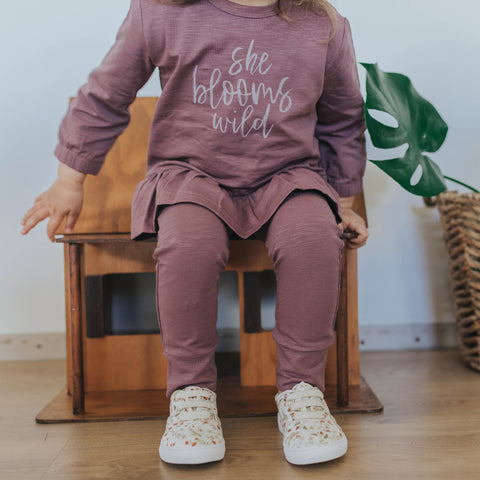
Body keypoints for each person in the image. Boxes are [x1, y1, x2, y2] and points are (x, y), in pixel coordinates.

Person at [20, 0, 368, 466]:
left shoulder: (323, 26)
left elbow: (343, 118)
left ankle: (302, 392)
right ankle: (191, 394)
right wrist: (70, 180)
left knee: (313, 238)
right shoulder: (161, 12)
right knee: (188, 244)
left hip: (288, 176)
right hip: (191, 176)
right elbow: (106, 94)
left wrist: (343, 202)